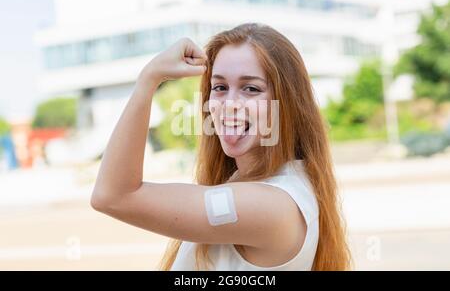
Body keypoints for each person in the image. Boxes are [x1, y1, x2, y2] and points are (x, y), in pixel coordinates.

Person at [91, 23, 351, 270]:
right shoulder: (254, 181)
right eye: (220, 87)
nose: (229, 103)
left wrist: (149, 78)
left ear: (287, 103)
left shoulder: (272, 205)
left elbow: (114, 196)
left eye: (251, 88)